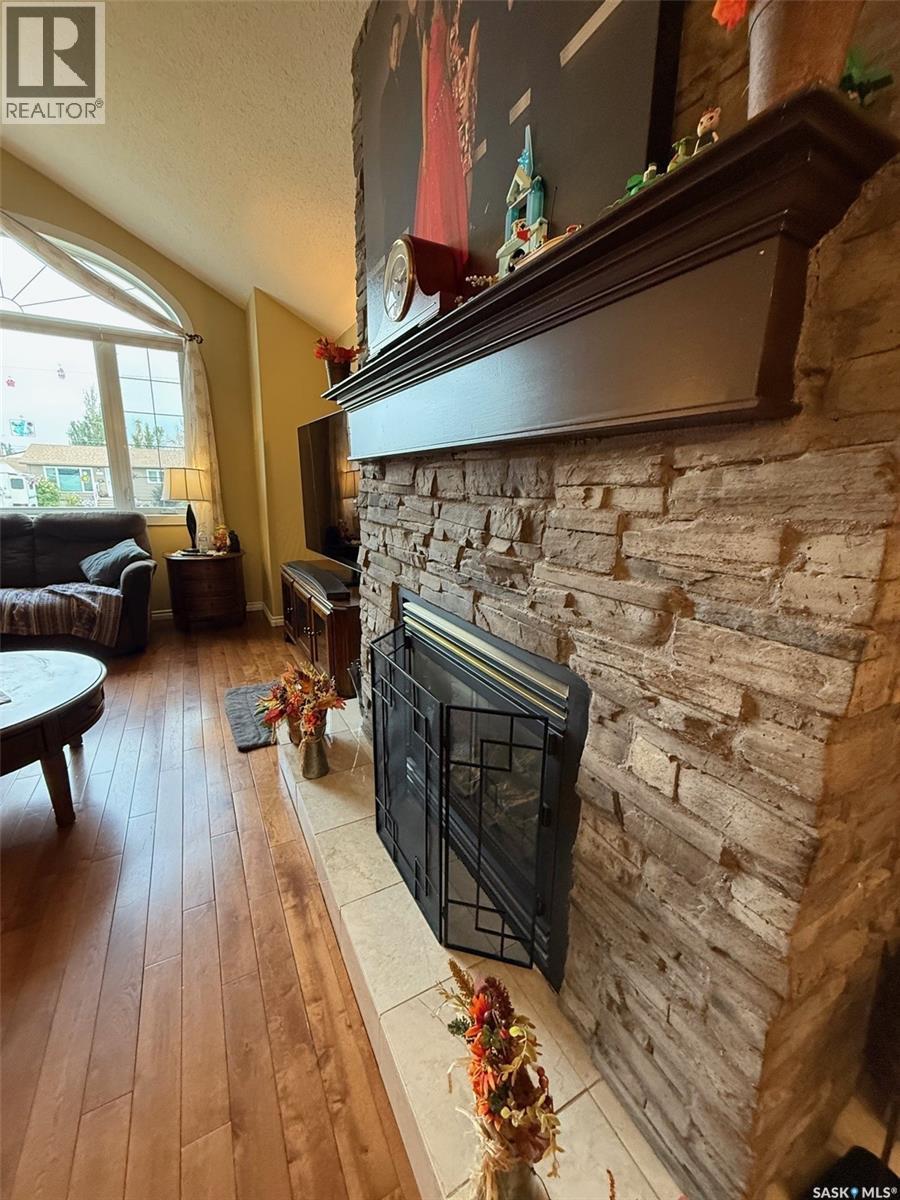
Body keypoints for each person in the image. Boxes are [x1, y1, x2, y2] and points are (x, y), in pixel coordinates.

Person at [414, 0, 469, 272]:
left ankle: (452, 246)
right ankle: (441, 244)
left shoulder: (446, 20)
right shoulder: (426, 34)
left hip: (446, 105)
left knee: (448, 172)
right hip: (434, 113)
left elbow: (448, 65)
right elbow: (424, 91)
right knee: (436, 177)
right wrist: (425, 143)